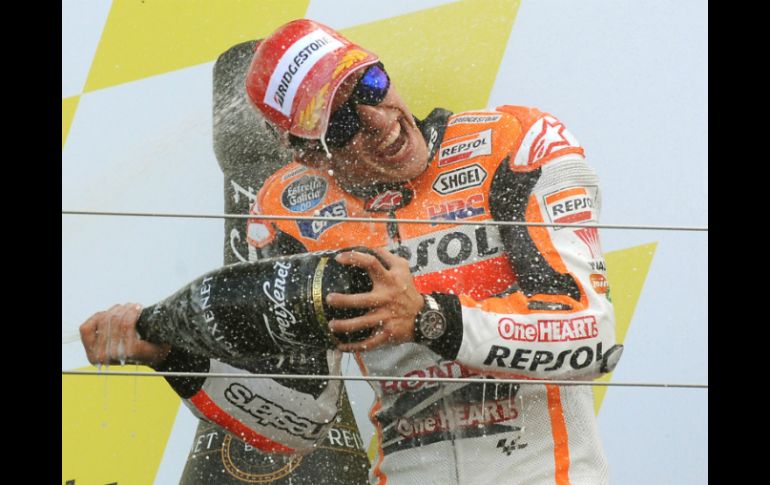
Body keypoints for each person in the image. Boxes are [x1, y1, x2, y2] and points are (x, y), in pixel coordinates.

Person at [81, 18, 623, 485]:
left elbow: (592, 338)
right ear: (304, 154)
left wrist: (429, 319)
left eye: (370, 83)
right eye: (341, 124)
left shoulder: (516, 143)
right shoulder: (290, 213)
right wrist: (174, 359)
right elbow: (299, 424)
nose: (380, 120)